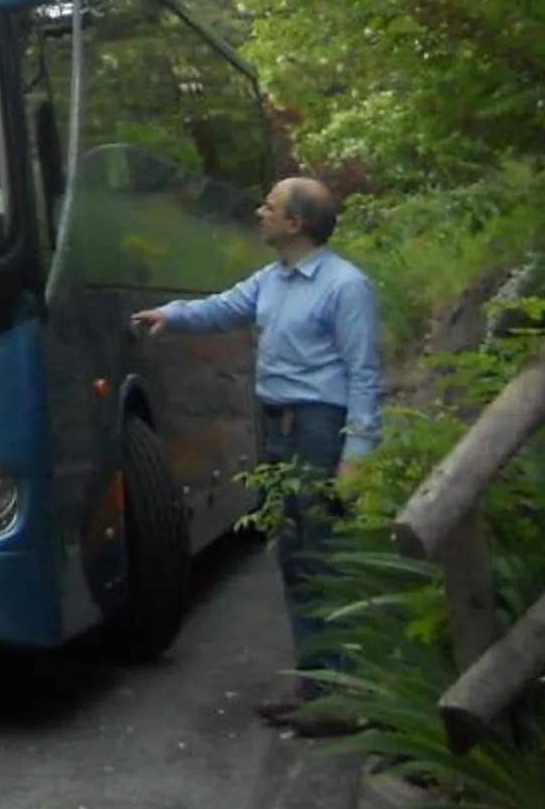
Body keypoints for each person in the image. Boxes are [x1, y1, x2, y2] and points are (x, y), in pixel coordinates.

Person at [132, 175, 382, 733]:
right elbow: (224, 308)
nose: (258, 210)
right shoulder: (274, 280)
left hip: (321, 428)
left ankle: (341, 691)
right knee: (293, 553)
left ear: (297, 223)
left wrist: (358, 451)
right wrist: (168, 315)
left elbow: (365, 374)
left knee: (323, 553)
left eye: (269, 205)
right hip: (278, 428)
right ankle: (317, 681)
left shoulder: (346, 287)